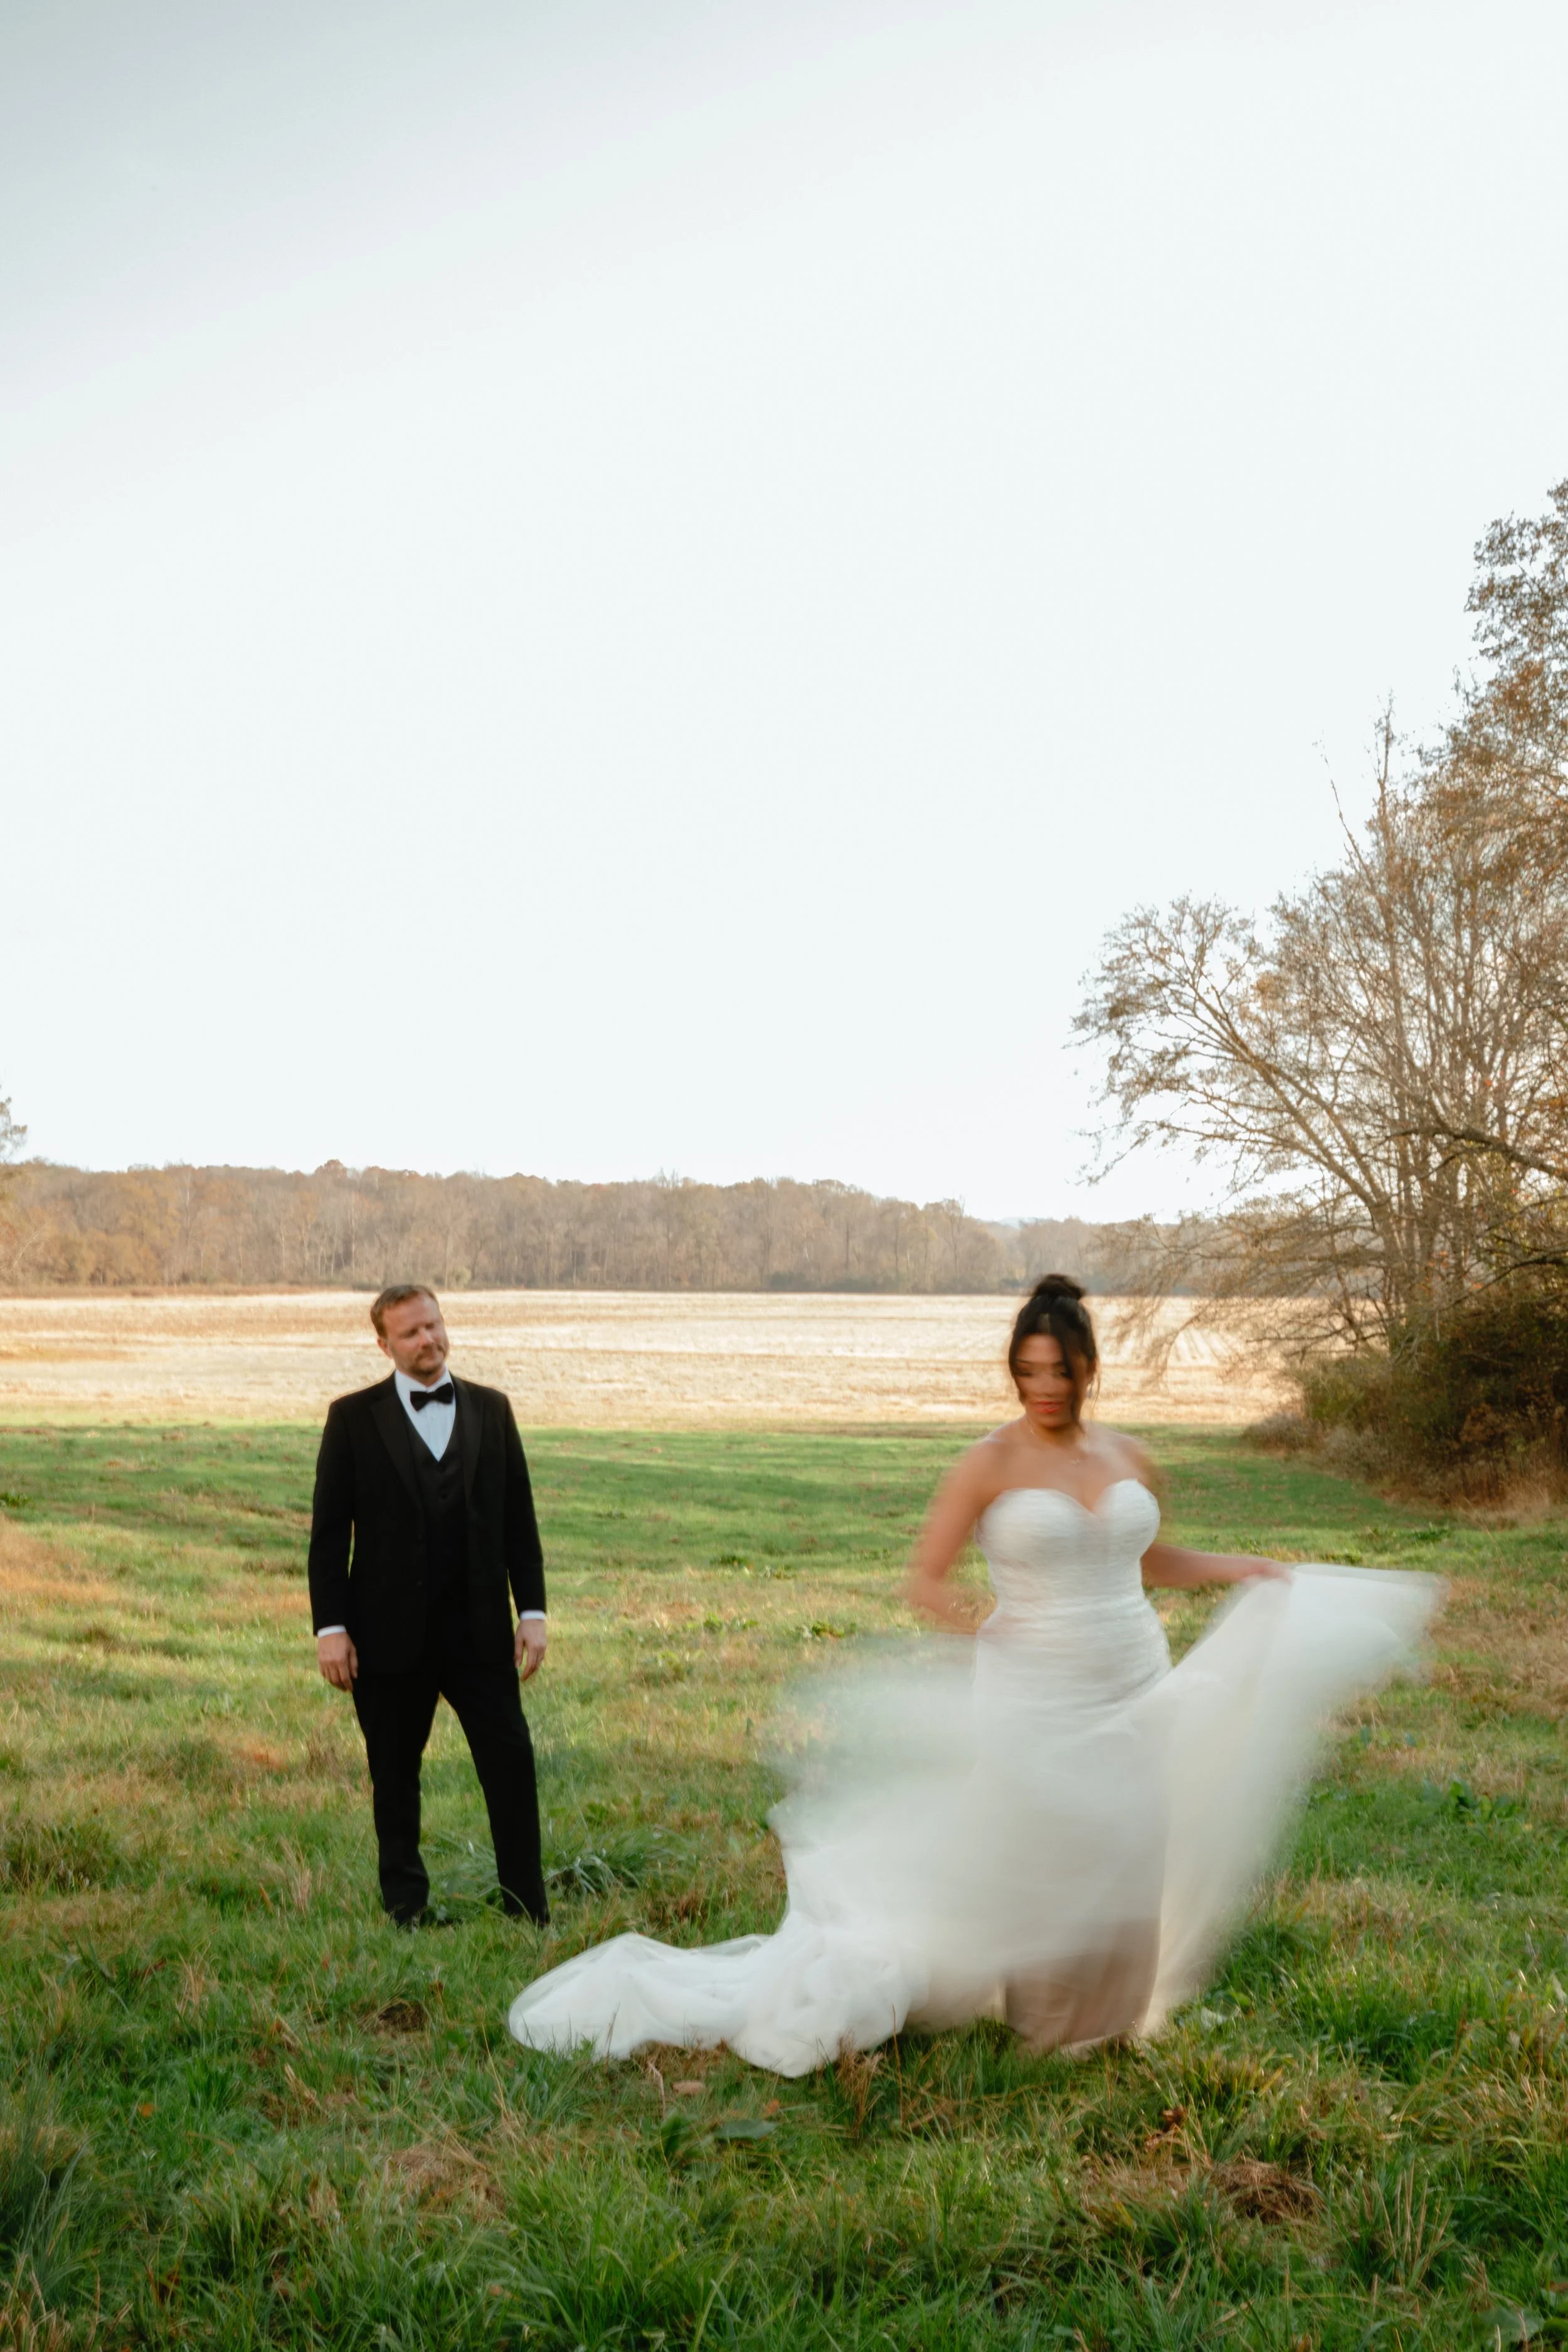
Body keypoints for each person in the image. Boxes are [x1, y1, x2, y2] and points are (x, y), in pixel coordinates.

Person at [508, 1277, 1438, 2074]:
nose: (1042, 1387)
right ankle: (1044, 2024)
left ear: (1086, 1369)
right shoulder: (989, 1463)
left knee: (1130, 1842)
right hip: (1034, 1686)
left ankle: (1111, 2022)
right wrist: (990, 1626)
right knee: (1048, 1843)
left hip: (1134, 1672)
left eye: (1058, 1371)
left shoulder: (1127, 1456)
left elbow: (1145, 1558)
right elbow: (925, 1579)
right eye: (1026, 1371)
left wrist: (1240, 1570)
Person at [309, 1283, 550, 1926]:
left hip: (479, 1633)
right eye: (412, 1332)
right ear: (384, 1344)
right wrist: (330, 1628)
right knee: (394, 1777)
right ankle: (406, 1908)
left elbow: (519, 1522)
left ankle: (527, 1907)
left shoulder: (492, 1411)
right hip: (386, 1635)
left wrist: (532, 1612)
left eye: (434, 1326)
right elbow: (330, 1535)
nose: (428, 1341)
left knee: (510, 1766)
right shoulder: (352, 1419)